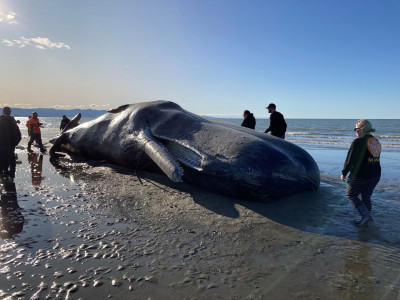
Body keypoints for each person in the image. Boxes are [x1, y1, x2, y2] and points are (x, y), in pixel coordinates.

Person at [341, 119, 381, 227]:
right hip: (375, 175)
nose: (355, 131)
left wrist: (344, 172)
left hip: (361, 175)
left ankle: (365, 216)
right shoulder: (375, 141)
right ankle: (366, 219)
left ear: (362, 130)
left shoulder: (357, 142)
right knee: (366, 197)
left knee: (351, 194)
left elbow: (350, 159)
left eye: (356, 129)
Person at [0, 107, 22, 179]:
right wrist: (15, 142)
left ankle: (7, 176)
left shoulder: (11, 120)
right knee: (10, 162)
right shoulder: (10, 120)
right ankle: (9, 177)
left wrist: (15, 142)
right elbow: (18, 134)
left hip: (7, 144)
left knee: (5, 161)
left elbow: (17, 133)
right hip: (7, 144)